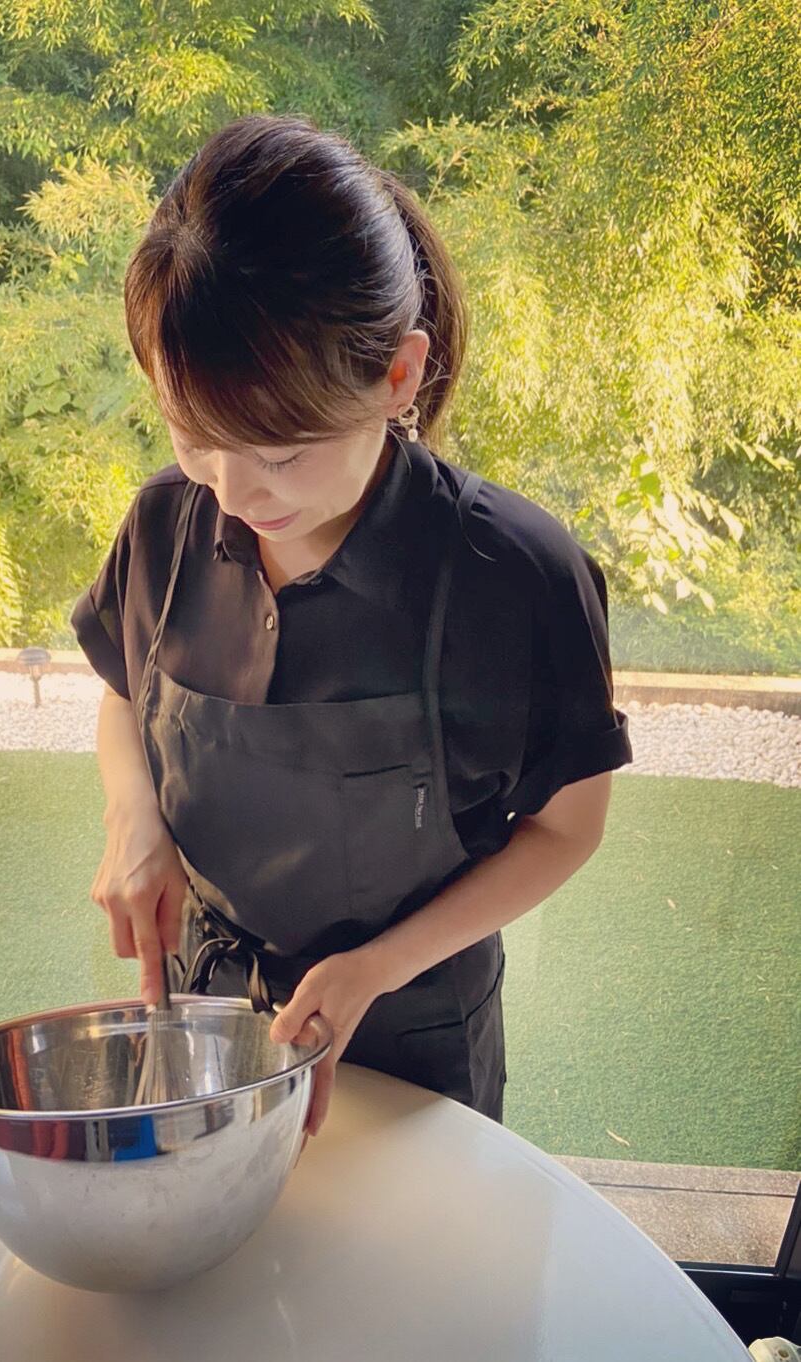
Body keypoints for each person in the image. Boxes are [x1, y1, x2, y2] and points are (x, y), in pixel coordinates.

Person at [71, 112, 633, 1139]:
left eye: (281, 453)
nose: (234, 491)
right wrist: (133, 812)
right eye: (194, 436)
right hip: (204, 1021)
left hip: (413, 1039)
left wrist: (377, 965)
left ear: (397, 376)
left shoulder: (514, 576)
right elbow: (123, 690)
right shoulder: (162, 523)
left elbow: (568, 826)